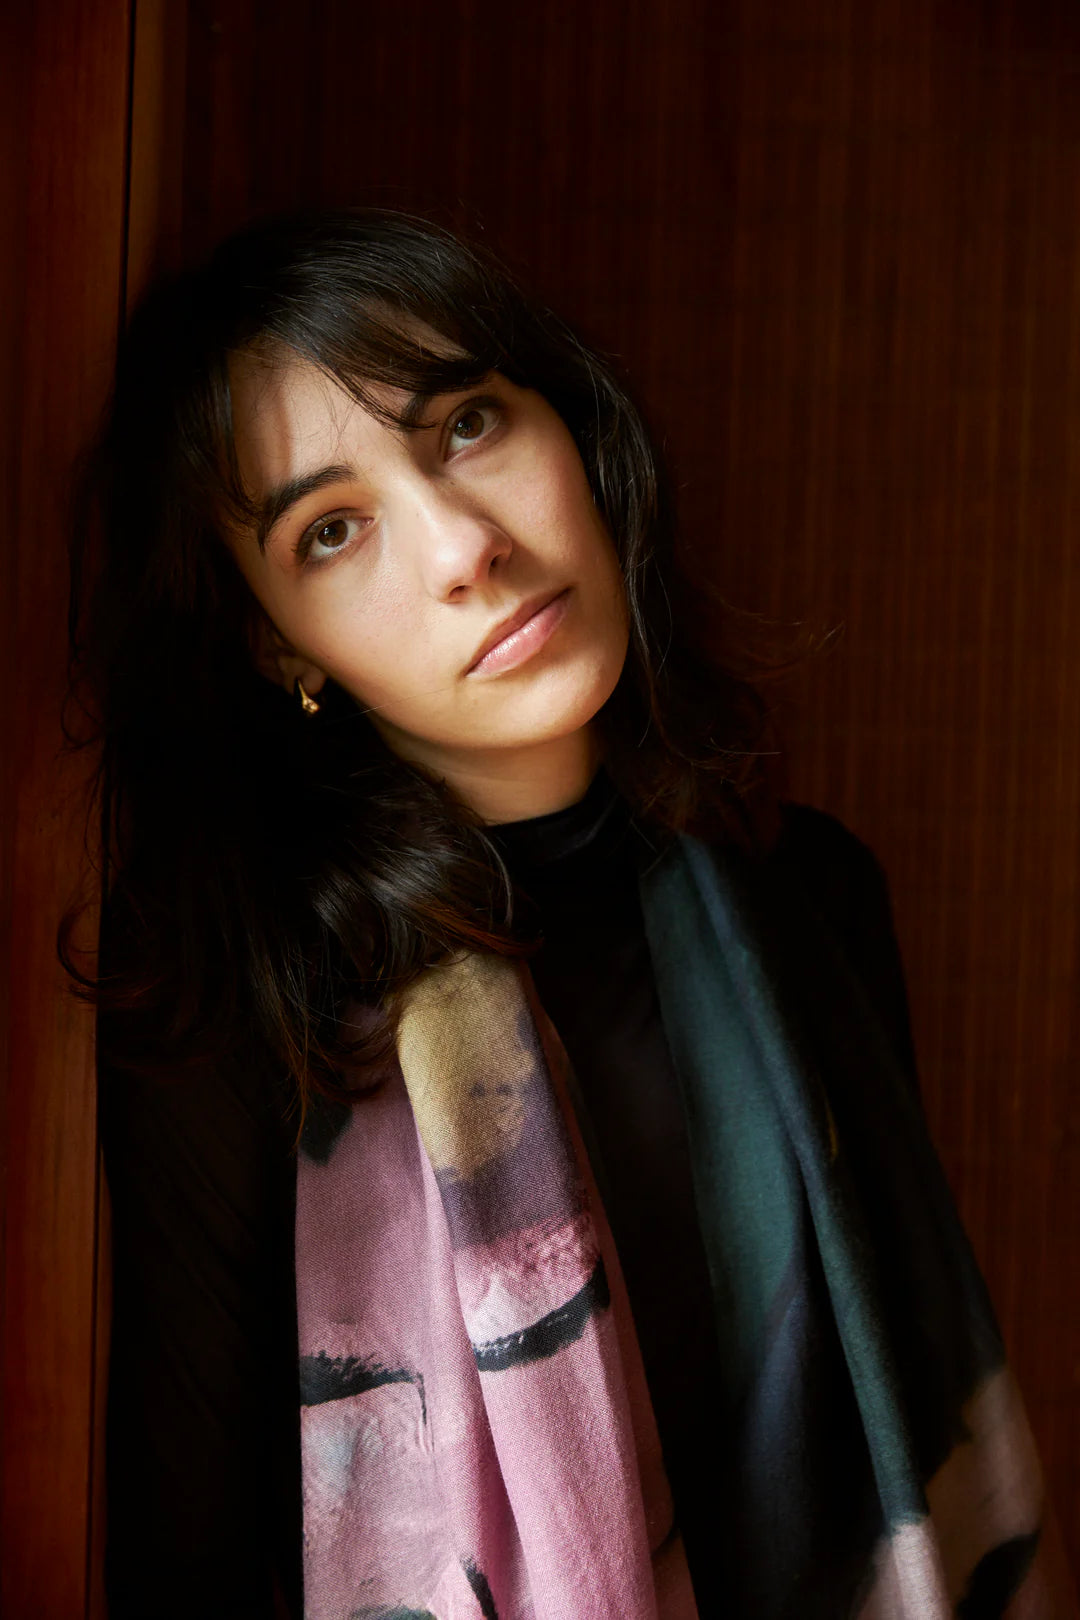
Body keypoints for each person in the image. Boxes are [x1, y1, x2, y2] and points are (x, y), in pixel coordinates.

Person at [65, 209, 1071, 1620]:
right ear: (280, 640)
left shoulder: (813, 903)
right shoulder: (247, 996)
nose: (464, 547)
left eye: (467, 425)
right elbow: (193, 1564)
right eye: (334, 529)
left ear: (572, 430)